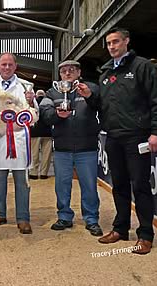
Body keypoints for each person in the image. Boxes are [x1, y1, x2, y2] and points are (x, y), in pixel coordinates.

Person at [82, 27, 157, 254]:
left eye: (116, 42)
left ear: (126, 41)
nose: (112, 46)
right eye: (109, 43)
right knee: (118, 186)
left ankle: (146, 234)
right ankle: (120, 229)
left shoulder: (142, 67)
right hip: (113, 137)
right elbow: (101, 106)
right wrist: (91, 97)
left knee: (140, 186)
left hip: (137, 137)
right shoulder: (106, 73)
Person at [40, 60, 103, 236]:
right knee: (62, 185)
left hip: (87, 148)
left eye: (71, 70)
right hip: (62, 149)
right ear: (59, 75)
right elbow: (45, 114)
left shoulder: (91, 87)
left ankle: (91, 219)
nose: (67, 73)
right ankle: (64, 216)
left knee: (89, 185)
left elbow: (101, 105)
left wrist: (89, 96)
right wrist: (57, 115)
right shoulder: (52, 92)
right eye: (63, 71)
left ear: (79, 72)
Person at [0, 52, 37, 234]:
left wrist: (32, 102)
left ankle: (23, 218)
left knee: (22, 182)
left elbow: (33, 114)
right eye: (3, 64)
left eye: (10, 64)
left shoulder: (25, 86)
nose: (6, 67)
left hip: (19, 139)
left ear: (15, 66)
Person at [29, 89, 52, 180]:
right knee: (46, 154)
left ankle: (33, 173)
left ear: (36, 95)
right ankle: (44, 173)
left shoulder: (33, 104)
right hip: (47, 132)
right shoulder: (49, 102)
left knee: (34, 154)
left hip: (35, 132)